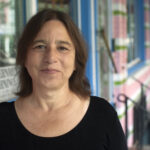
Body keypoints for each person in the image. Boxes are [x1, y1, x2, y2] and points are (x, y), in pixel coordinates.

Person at [0, 9, 128, 150]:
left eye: (62, 48)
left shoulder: (103, 116)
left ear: (75, 61)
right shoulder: (3, 120)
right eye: (40, 46)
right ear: (25, 57)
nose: (51, 58)